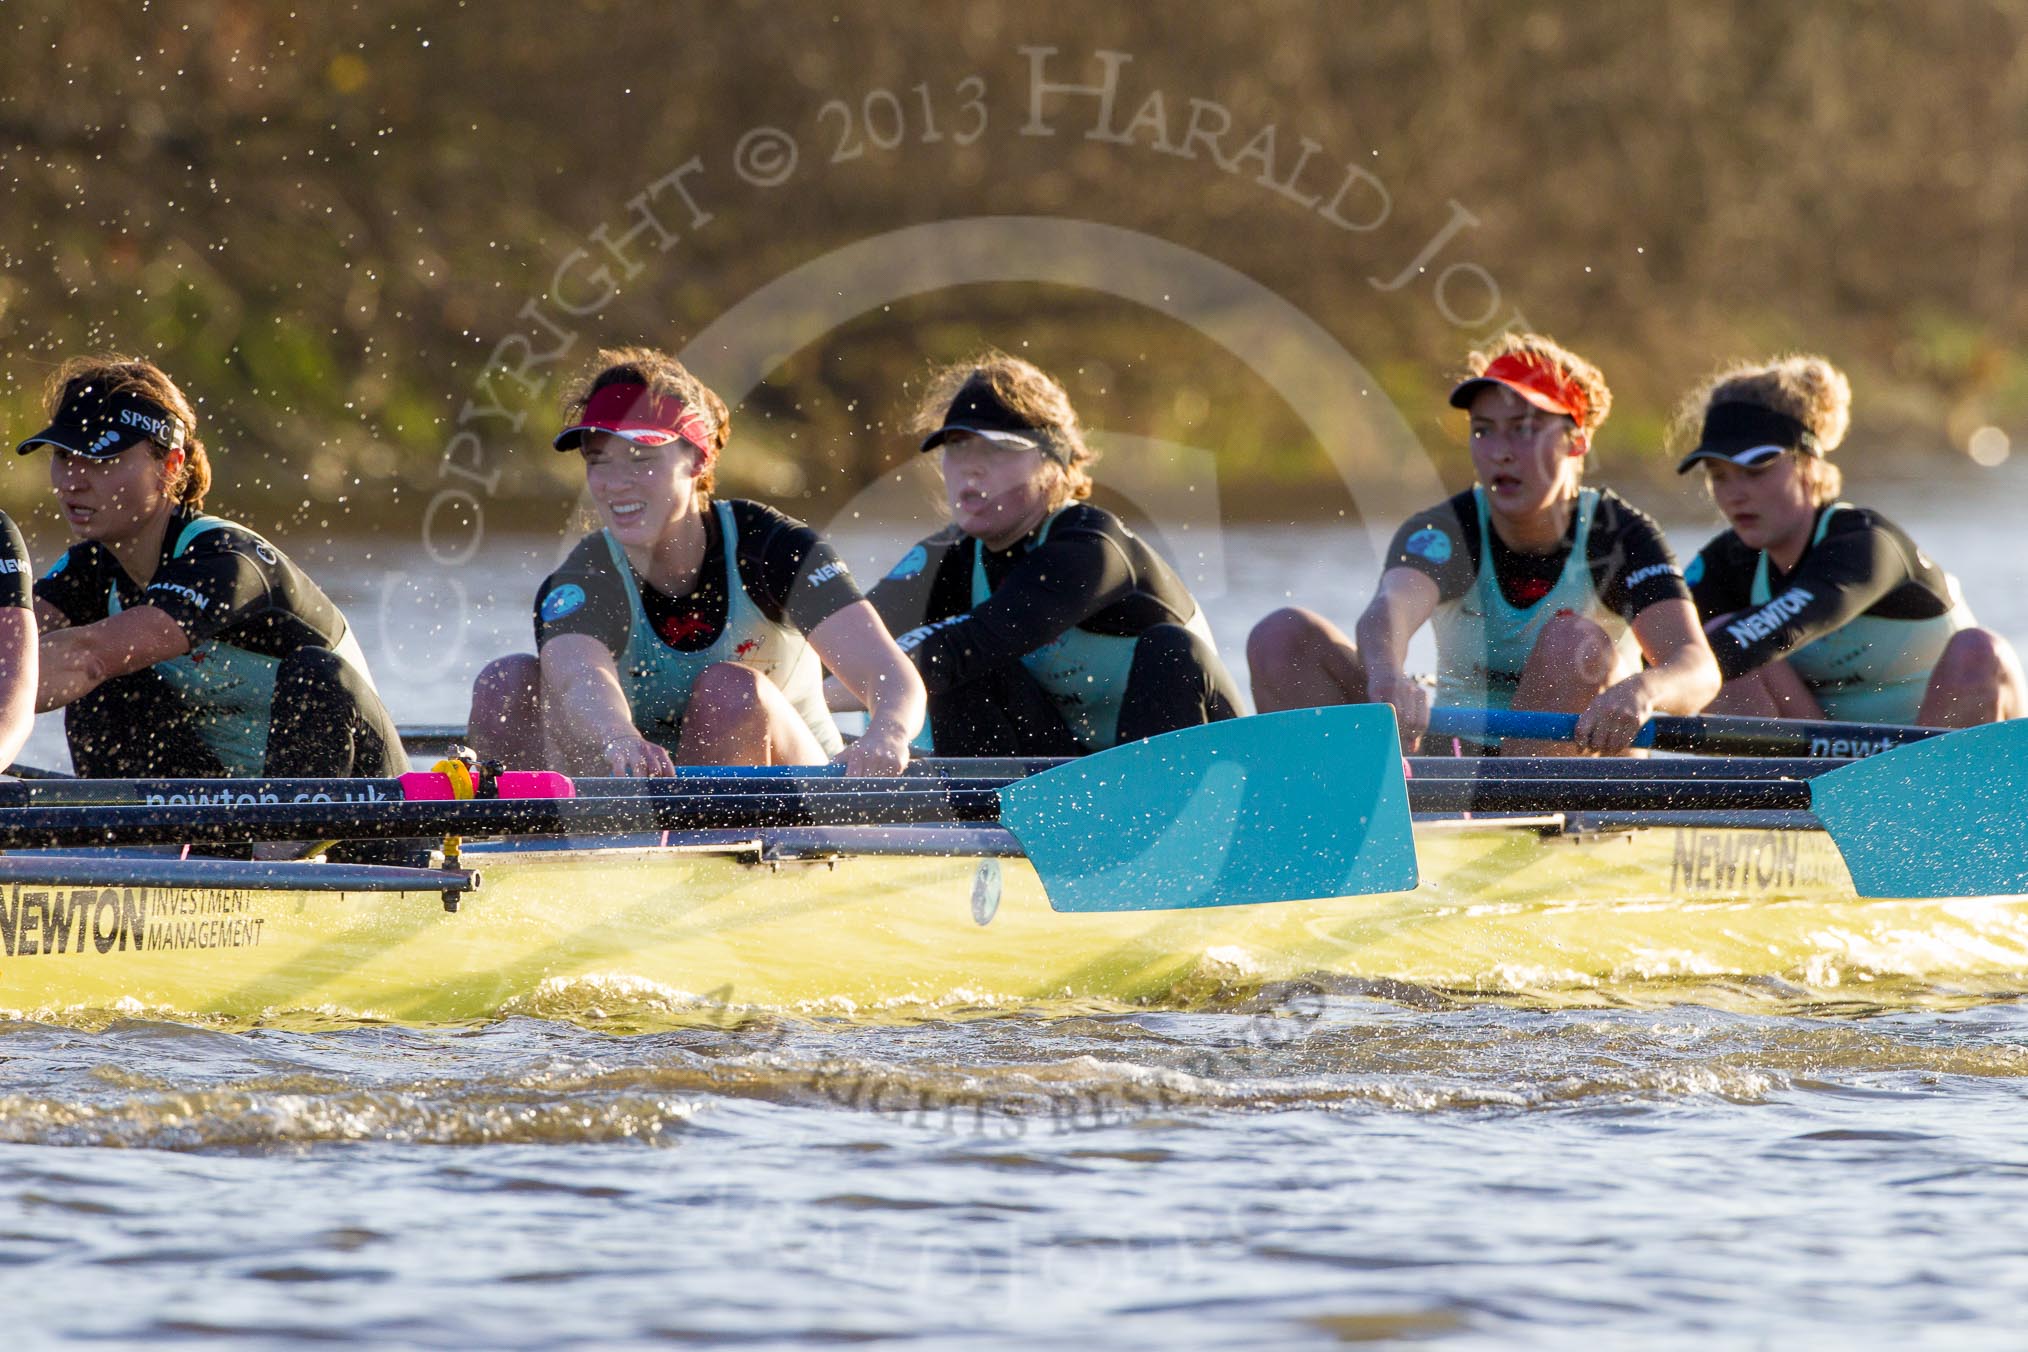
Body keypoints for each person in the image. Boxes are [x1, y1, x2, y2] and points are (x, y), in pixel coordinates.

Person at [1248, 333, 1721, 755]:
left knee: (1572, 641)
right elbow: (1389, 608)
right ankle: (1328, 825)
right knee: (1283, 635)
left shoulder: (1619, 536)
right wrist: (1388, 673)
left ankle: (1513, 818)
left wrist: (1643, 691)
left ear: (1576, 440)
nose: (1500, 451)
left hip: (1578, 767)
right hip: (1457, 753)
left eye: (1524, 428)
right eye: (1483, 430)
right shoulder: (1446, 529)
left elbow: (1697, 667)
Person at [467, 348, 923, 776]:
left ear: (698, 461)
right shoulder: (586, 575)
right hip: (649, 793)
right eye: (598, 461)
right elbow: (578, 678)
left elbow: (890, 673)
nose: (615, 484)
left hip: (798, 792)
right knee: (506, 683)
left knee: (729, 692)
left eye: (641, 457)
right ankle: (515, 845)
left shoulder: (773, 549)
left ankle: (712, 846)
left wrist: (888, 734)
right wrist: (619, 738)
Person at [22, 355, 404, 778]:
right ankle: (144, 839)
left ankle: (280, 842)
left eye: (100, 458)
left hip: (365, 815)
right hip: (228, 816)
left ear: (169, 465)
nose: (72, 480)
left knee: (316, 673)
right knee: (103, 692)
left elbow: (87, 658)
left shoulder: (226, 560)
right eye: (63, 456)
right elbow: (11, 650)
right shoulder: (88, 568)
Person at [851, 353, 1242, 756]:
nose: (971, 468)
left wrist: (868, 681)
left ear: (1053, 464)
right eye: (958, 446)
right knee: (957, 673)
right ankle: (981, 815)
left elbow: (973, 642)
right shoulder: (946, 559)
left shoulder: (1091, 546)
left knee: (1171, 649)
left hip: (1203, 768)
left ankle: (1147, 809)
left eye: (997, 450)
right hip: (1075, 780)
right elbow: (842, 637)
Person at [1676, 354, 2022, 726]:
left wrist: (1659, 679)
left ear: (1807, 464)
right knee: (1699, 645)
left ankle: (1923, 783)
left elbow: (1792, 618)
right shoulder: (1727, 564)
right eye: (1719, 475)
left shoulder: (1866, 544)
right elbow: (1650, 653)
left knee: (1981, 650)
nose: (1734, 494)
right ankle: (1787, 783)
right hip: (1833, 773)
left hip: (1940, 759)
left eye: (1755, 471)